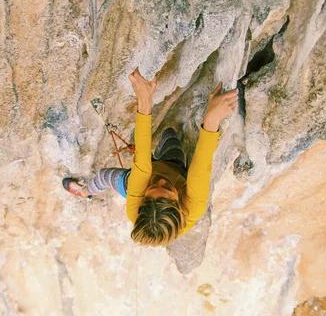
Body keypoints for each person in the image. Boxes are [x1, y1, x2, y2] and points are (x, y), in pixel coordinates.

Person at [63, 68, 238, 246]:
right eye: (168, 188)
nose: (161, 181)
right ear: (179, 207)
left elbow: (142, 164)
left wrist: (144, 98)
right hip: (173, 167)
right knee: (169, 135)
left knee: (104, 176)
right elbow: (200, 169)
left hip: (134, 183)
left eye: (155, 187)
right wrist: (212, 118)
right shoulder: (194, 206)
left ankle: (84, 192)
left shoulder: (135, 209)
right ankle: (158, 171)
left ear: (143, 201)